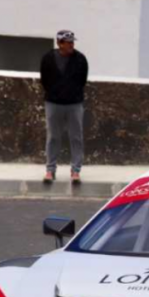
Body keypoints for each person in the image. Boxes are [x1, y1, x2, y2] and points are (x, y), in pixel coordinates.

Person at [39, 29, 88, 184]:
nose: (71, 45)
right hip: (53, 103)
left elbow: (82, 80)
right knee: (53, 136)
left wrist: (72, 93)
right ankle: (50, 170)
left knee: (76, 137)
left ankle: (76, 170)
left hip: (74, 103)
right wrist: (55, 92)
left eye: (72, 42)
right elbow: (44, 79)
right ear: (59, 43)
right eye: (68, 42)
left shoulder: (80, 59)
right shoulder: (48, 58)